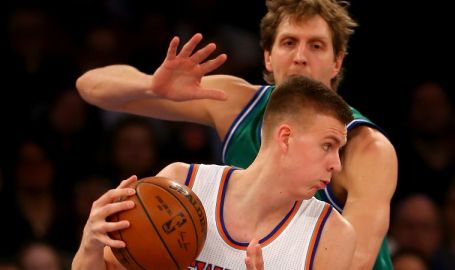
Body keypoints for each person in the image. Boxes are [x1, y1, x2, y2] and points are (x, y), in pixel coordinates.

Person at [76, 0, 398, 268]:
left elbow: (356, 261)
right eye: (288, 42)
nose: (300, 56)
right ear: (268, 57)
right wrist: (150, 86)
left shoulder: (365, 148)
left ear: (337, 62)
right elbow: (90, 87)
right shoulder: (233, 104)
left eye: (316, 45)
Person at [72, 76, 356, 270]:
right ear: (285, 137)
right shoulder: (182, 183)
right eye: (327, 146)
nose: (337, 164)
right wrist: (91, 245)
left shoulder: (331, 235)